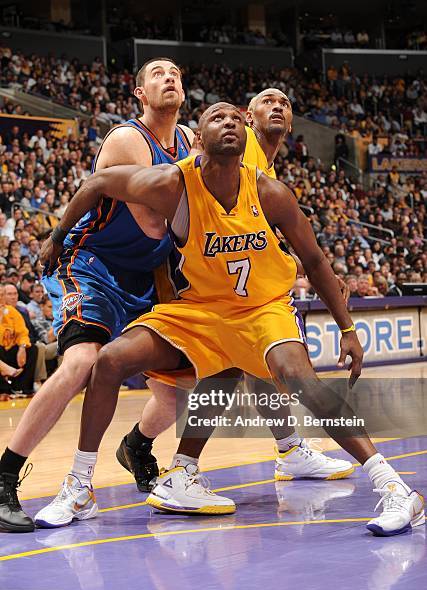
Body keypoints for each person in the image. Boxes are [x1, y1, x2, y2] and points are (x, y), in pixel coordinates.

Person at [36, 102, 424, 536]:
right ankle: (81, 487)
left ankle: (394, 488)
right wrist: (56, 237)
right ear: (197, 140)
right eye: (218, 118)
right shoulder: (173, 184)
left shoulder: (268, 192)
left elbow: (314, 260)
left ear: (245, 138)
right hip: (203, 311)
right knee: (108, 361)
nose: (230, 123)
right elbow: (99, 182)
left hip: (264, 308)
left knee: (299, 380)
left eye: (236, 119)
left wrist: (347, 328)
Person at [127, 89, 353, 501]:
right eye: (268, 102)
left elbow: (250, 236)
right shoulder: (239, 152)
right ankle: (161, 455)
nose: (278, 107)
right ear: (249, 117)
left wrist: (313, 267)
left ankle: (284, 449)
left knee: (245, 372)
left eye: (285, 102)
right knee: (215, 379)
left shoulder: (261, 164)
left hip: (230, 286)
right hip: (195, 285)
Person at [0, 57, 193, 533]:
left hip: (143, 279)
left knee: (179, 387)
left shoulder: (189, 140)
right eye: (157, 74)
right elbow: (155, 222)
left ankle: (137, 445)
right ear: (139, 94)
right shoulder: (129, 139)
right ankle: (4, 476)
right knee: (83, 362)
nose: (168, 77)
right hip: (90, 264)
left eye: (175, 73)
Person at [0, 284, 37, 396]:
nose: (0, 298)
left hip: (10, 349)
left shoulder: (11, 311)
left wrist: (22, 347)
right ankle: (4, 389)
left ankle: (21, 388)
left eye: (1, 295)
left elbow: (22, 332)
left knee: (32, 349)